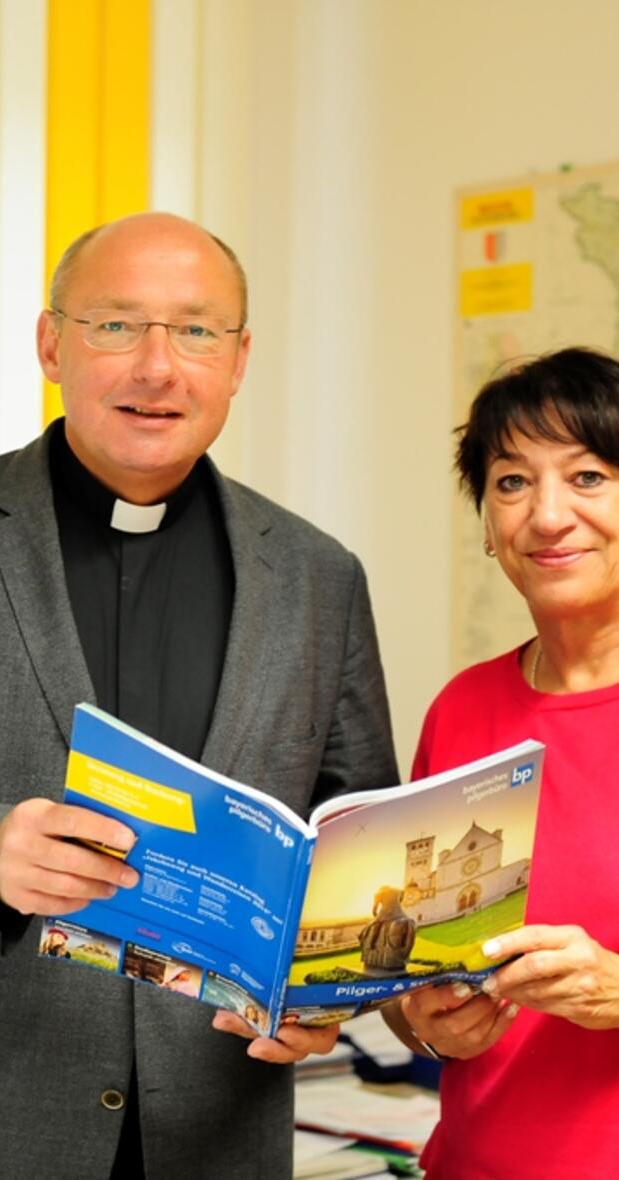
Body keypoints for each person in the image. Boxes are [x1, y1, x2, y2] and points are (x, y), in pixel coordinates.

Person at [0, 211, 398, 1179]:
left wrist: (324, 996)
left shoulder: (315, 575)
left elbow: (352, 843)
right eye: (116, 325)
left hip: (214, 1134)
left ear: (240, 359)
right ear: (51, 344)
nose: (157, 366)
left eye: (196, 330)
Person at [381, 346, 619, 1178]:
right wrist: (423, 1018)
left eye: (588, 477)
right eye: (512, 482)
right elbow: (412, 983)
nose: (547, 516)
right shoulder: (463, 710)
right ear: (487, 525)